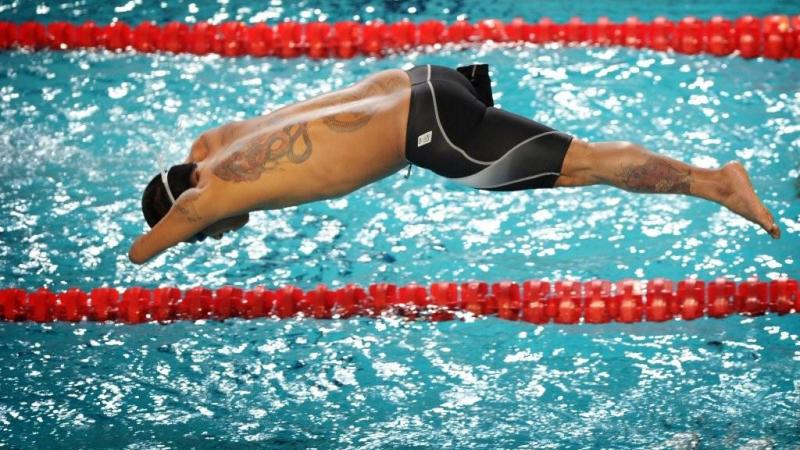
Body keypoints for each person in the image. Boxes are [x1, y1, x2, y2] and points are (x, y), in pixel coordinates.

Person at [129, 64, 780, 264]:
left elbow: (145, 249)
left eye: (207, 235)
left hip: (426, 130)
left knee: (581, 166)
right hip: (426, 81)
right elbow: (197, 155)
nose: (215, 234)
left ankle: (717, 183)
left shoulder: (209, 194)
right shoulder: (223, 141)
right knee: (571, 164)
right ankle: (715, 183)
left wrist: (173, 225)